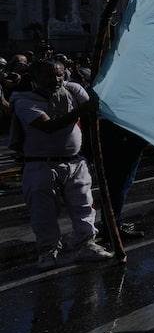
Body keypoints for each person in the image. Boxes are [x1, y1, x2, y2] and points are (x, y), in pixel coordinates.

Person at [12, 60, 112, 268]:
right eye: (49, 76)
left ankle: (86, 243)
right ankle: (49, 252)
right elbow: (47, 126)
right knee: (43, 212)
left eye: (58, 75)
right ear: (35, 78)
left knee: (84, 206)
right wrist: (81, 111)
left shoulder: (73, 89)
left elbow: (94, 110)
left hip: (75, 163)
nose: (55, 80)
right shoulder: (24, 100)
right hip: (41, 166)